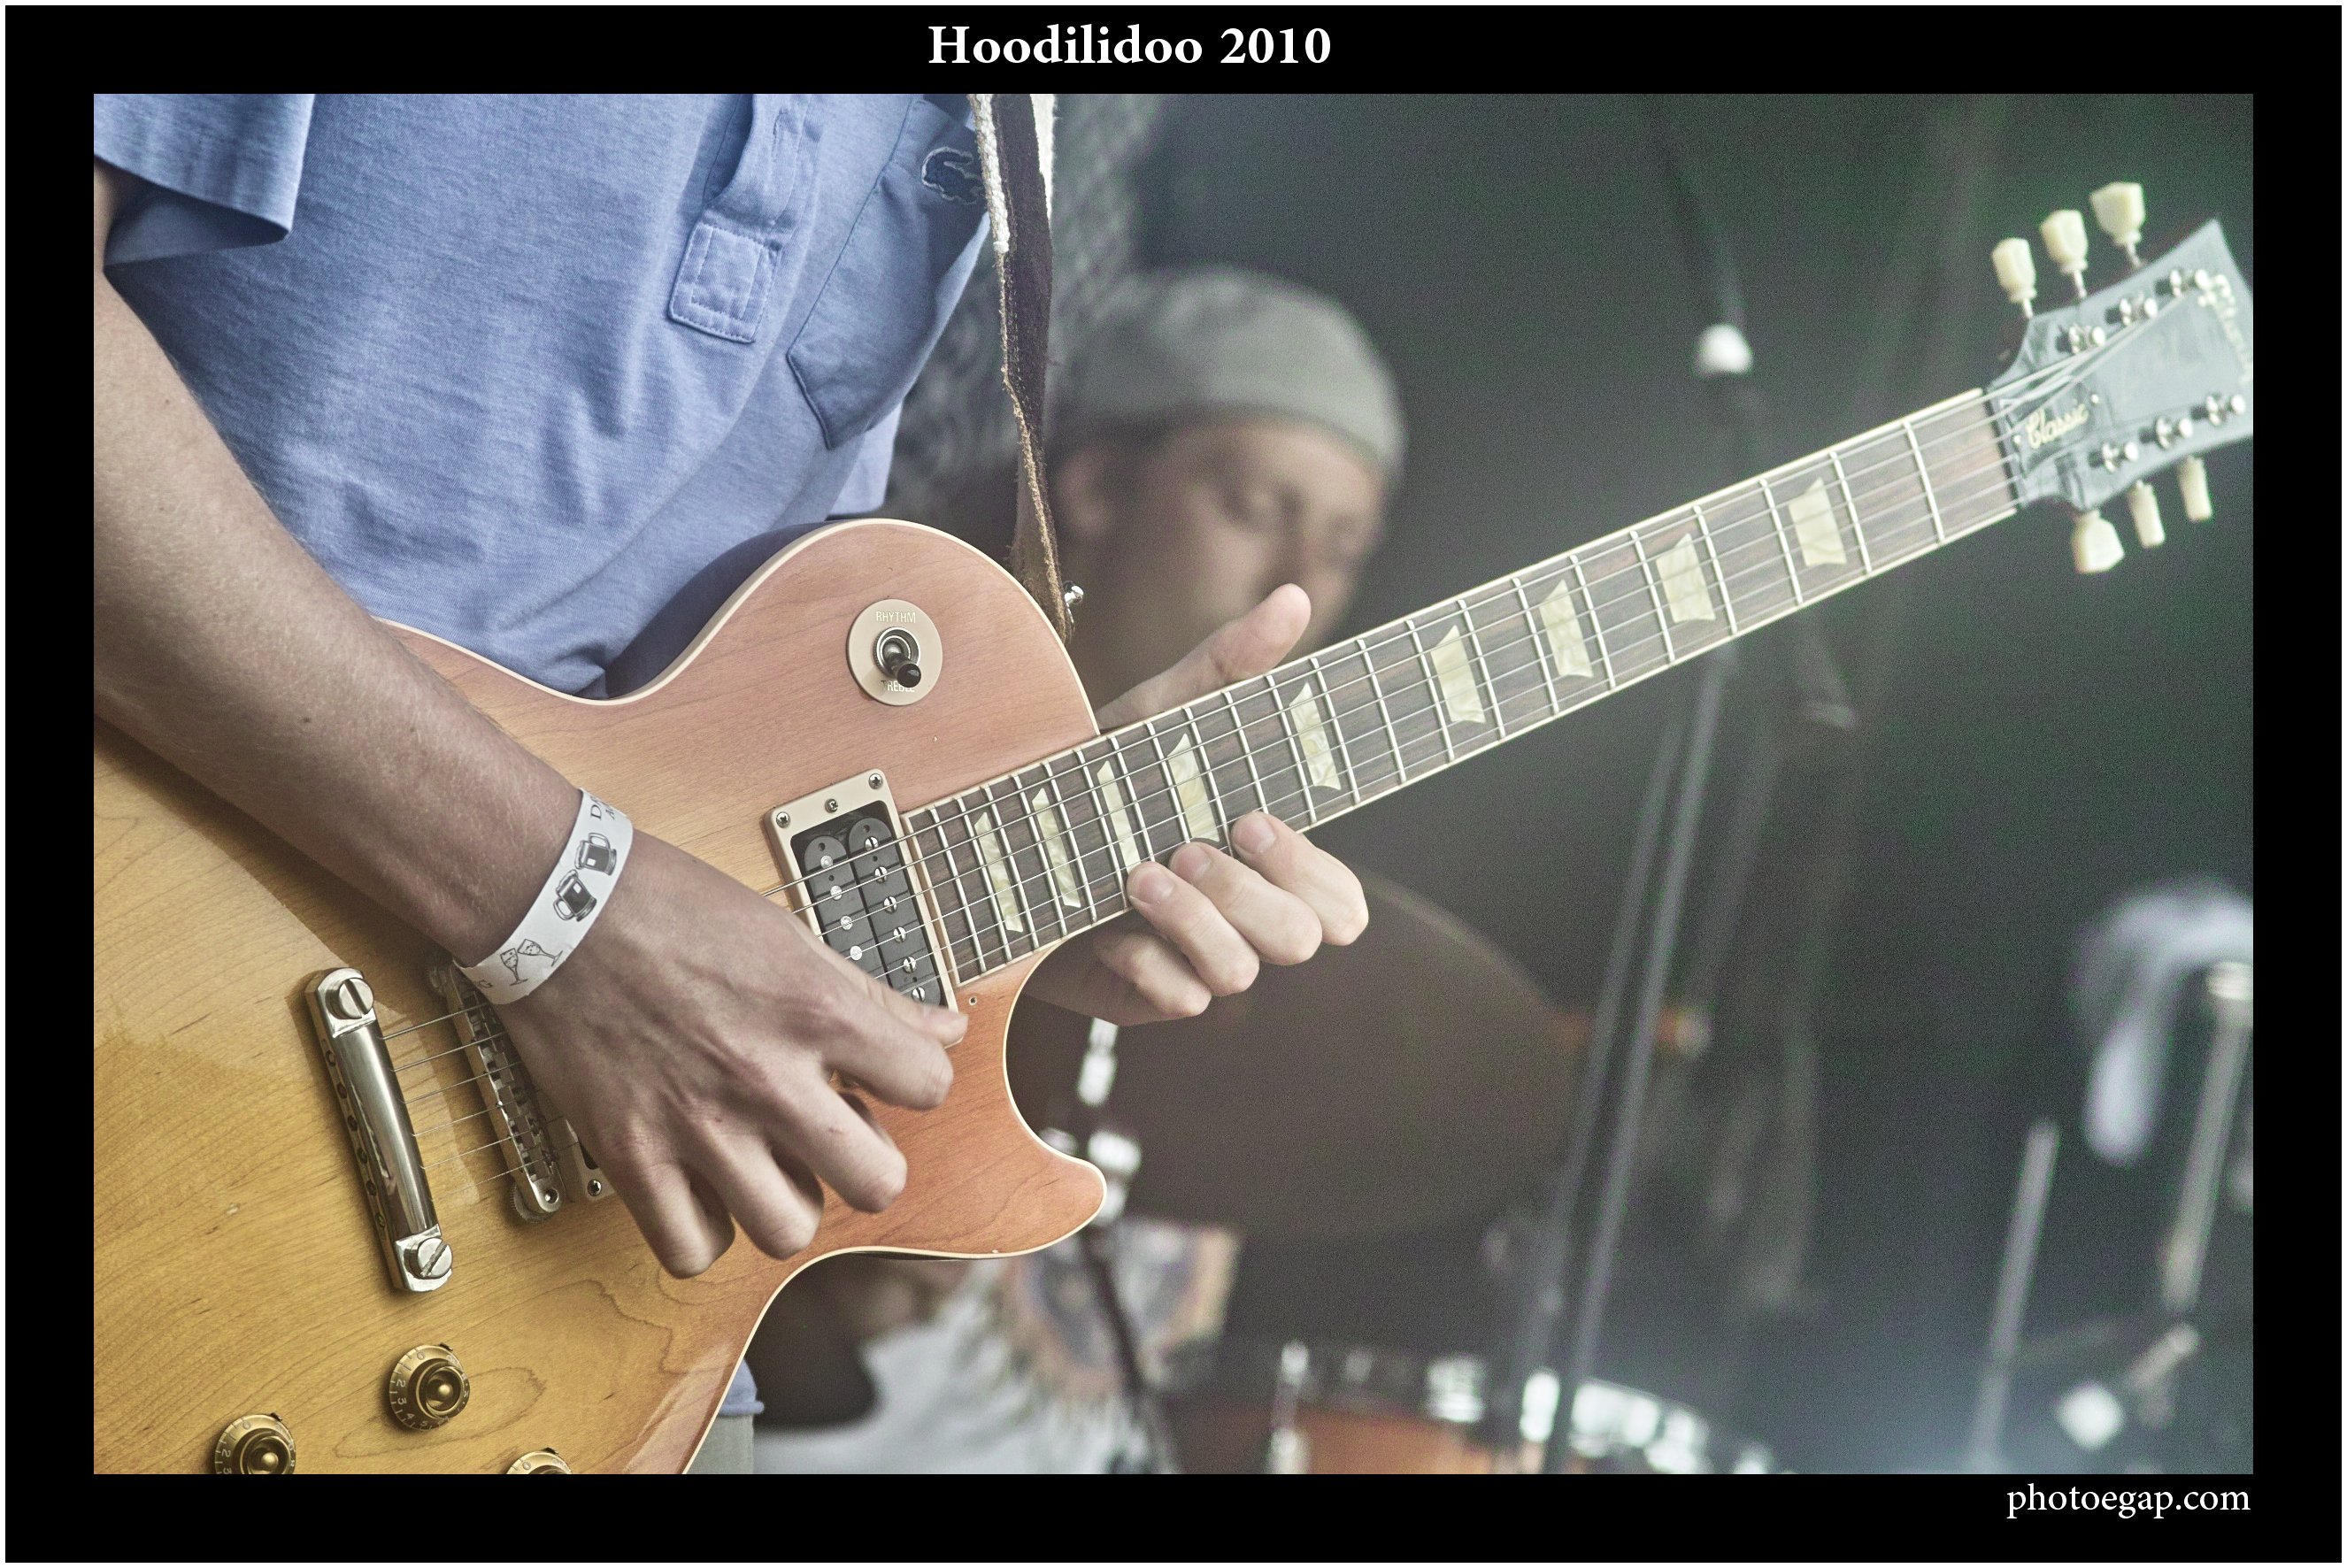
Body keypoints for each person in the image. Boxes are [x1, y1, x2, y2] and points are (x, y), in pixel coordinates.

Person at [92, 96, 1367, 1473]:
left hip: (580, 1306)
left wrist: (986, 885)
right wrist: (559, 903)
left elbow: (703, 695)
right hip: (164, 988)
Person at [753, 265, 1404, 1473]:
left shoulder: (1256, 898)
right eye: (1256, 505)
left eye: (1345, 545)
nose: (1300, 579)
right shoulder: (849, 715)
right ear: (1099, 487)